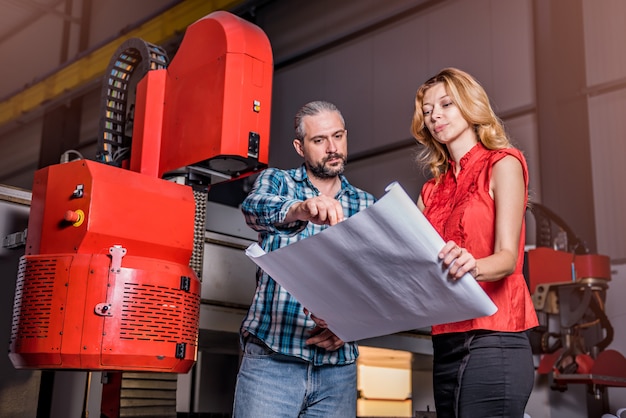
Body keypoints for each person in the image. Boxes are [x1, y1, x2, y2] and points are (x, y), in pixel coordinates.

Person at [233, 100, 376, 417]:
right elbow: (253, 208)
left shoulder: (366, 204)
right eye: (319, 140)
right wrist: (299, 209)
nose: (332, 148)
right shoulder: (279, 182)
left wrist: (349, 325)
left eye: (338, 136)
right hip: (271, 362)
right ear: (300, 146)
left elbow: (375, 283)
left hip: (337, 371)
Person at [410, 68, 539, 418]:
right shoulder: (431, 190)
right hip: (445, 340)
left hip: (494, 338)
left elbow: (508, 259)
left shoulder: (503, 163)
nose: (434, 115)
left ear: (470, 106)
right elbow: (414, 261)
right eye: (427, 110)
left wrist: (472, 265)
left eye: (446, 104)